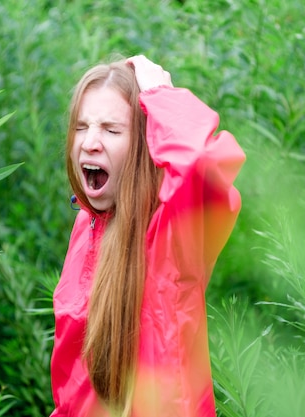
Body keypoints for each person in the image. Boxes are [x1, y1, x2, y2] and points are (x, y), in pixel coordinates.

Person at [50, 55, 245, 417]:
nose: (90, 142)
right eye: (81, 126)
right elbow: (75, 380)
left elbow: (205, 167)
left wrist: (161, 98)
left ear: (144, 145)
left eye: (111, 129)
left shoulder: (173, 230)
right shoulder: (88, 223)